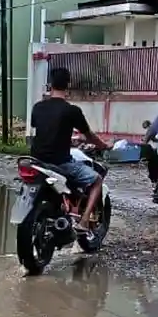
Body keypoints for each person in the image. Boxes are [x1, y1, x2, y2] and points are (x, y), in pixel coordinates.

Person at [28, 67, 111, 231]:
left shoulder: (37, 107)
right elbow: (89, 136)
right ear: (68, 85)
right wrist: (104, 145)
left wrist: (70, 140)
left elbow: (45, 130)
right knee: (96, 180)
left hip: (37, 161)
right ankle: (84, 221)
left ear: (50, 85)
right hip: (60, 163)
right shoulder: (72, 110)